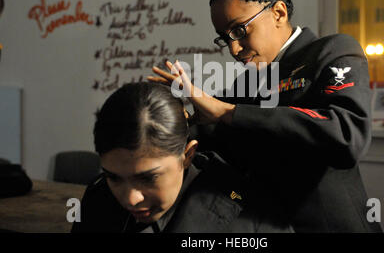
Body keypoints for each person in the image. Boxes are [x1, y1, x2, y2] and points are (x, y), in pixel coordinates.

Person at [148, 0, 383, 232]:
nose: (234, 49)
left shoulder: (332, 51)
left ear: (279, 13)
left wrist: (227, 112)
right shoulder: (249, 81)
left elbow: (346, 135)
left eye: (239, 30)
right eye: (225, 38)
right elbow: (221, 142)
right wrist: (179, 120)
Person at [71, 82, 294, 233]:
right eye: (115, 178)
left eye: (148, 178)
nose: (131, 198)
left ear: (187, 155)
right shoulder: (98, 198)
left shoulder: (251, 219)